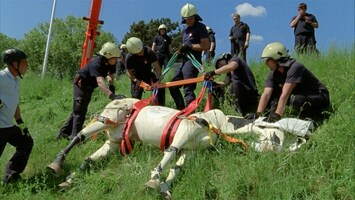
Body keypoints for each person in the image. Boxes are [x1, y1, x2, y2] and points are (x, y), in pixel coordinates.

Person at [245, 42, 330, 122]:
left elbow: (285, 94)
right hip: (300, 94)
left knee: (296, 100)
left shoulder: (295, 67)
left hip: (319, 96)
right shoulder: (274, 73)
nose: (265, 63)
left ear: (276, 58)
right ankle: (270, 119)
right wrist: (258, 114)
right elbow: (266, 94)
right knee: (274, 95)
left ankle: (314, 119)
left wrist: (277, 116)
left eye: (267, 60)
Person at [56, 42, 125, 140]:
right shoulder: (96, 64)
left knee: (78, 110)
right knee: (80, 112)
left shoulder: (111, 62)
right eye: (115, 58)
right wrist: (111, 96)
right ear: (108, 57)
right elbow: (100, 82)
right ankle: (75, 138)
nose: (117, 60)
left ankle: (63, 134)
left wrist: (112, 86)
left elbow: (111, 75)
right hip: (81, 85)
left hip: (89, 87)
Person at [0, 49, 34, 184]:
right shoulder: (2, 76)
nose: (27, 65)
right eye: (24, 62)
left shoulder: (14, 80)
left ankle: (11, 176)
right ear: (15, 64)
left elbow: (14, 103)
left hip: (7, 125)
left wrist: (21, 124)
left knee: (26, 142)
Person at [169, 3, 209, 110]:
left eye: (191, 18)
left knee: (188, 86)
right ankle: (181, 109)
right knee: (173, 85)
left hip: (193, 60)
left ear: (195, 16)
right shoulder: (185, 29)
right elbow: (185, 46)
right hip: (184, 60)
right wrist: (181, 50)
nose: (189, 21)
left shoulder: (201, 27)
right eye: (186, 19)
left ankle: (190, 112)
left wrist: (190, 46)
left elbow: (206, 45)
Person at [125, 37, 165, 105]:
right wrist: (136, 81)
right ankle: (135, 111)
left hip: (148, 74)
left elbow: (157, 66)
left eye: (142, 50)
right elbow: (129, 72)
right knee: (135, 97)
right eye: (139, 52)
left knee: (160, 88)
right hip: (137, 77)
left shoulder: (149, 51)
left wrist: (159, 79)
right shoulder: (129, 58)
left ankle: (161, 106)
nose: (142, 53)